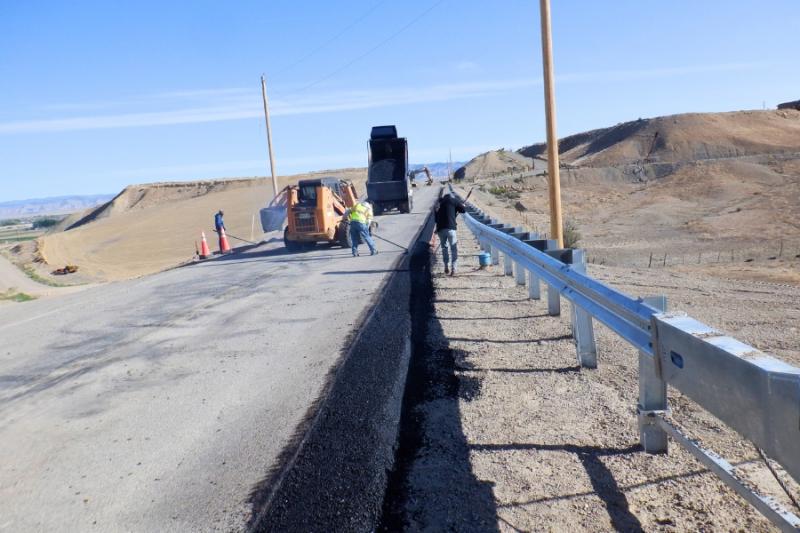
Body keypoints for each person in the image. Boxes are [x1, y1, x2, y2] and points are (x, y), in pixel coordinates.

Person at [434, 191, 466, 275]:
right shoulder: (454, 200)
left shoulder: (439, 203)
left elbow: (436, 219)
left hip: (440, 230)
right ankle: (454, 269)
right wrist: (462, 206)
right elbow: (463, 210)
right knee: (453, 249)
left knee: (444, 248)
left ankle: (446, 266)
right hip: (450, 229)